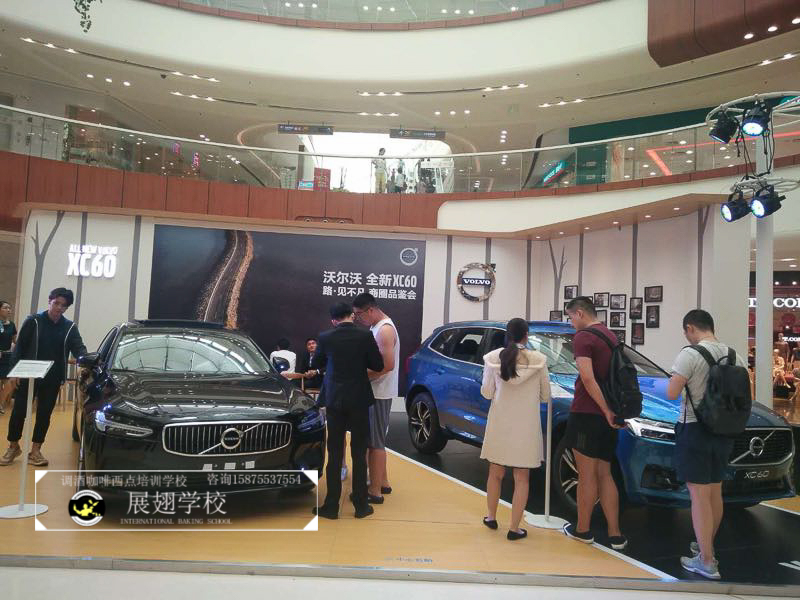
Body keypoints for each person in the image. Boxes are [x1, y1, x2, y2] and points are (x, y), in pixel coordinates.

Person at [666, 309, 747, 580]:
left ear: (690, 328)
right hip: (724, 431)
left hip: (695, 429)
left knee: (698, 494)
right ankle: (705, 546)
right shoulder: (734, 355)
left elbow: (672, 392)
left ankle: (707, 561)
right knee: (714, 491)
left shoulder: (689, 355)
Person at [562, 296, 627, 550]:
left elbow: (588, 379)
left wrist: (605, 410)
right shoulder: (610, 336)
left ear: (579, 313)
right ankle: (616, 534)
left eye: (570, 317)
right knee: (605, 473)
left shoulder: (583, 338)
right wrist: (610, 412)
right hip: (607, 418)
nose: (571, 322)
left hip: (587, 414)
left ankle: (582, 530)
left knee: (586, 475)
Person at [311, 302, 383, 519]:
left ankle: (331, 506)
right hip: (359, 398)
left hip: (335, 399)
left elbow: (317, 362)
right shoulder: (365, 336)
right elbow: (378, 365)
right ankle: (361, 505)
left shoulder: (325, 337)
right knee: (359, 453)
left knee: (334, 453)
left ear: (334, 320)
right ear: (351, 315)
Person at [480, 318, 550, 541]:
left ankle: (491, 517)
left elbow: (487, 393)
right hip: (526, 426)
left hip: (500, 423)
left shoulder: (493, 358)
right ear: (526, 335)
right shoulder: (539, 360)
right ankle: (514, 528)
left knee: (495, 473)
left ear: (507, 334)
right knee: (522, 478)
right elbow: (545, 396)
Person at [0, 288, 87, 467]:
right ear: (50, 301)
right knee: (19, 412)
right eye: (56, 303)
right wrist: (14, 372)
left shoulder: (69, 327)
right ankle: (13, 446)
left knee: (44, 414)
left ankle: (36, 450)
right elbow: (19, 347)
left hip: (52, 378)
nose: (59, 308)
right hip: (27, 375)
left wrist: (88, 360)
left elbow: (79, 348)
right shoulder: (33, 321)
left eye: (64, 305)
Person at [353, 292, 398, 503]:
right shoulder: (376, 327)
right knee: (376, 440)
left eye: (359, 315)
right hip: (376, 391)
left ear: (370, 310)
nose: (358, 319)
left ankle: (375, 491)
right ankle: (384, 482)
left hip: (379, 393)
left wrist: (359, 376)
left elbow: (387, 366)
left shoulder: (384, 330)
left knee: (375, 443)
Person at [0, 301, 17, 414]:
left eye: (9, 308)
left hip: (7, 356)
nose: (8, 310)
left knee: (9, 382)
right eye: (5, 307)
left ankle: (0, 403)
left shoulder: (11, 325)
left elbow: (15, 340)